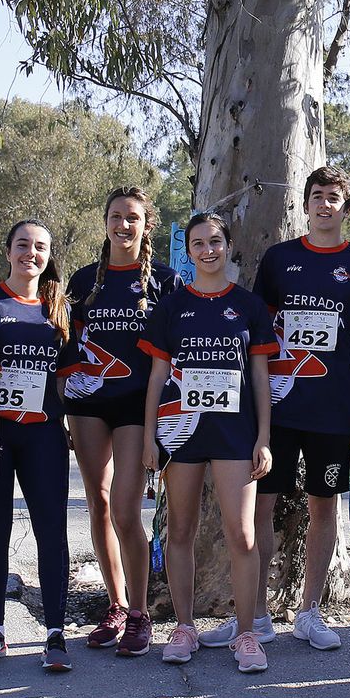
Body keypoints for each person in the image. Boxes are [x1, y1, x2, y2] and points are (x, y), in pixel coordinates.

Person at [198, 165, 350, 655]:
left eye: (335, 197)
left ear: (347, 207)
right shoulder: (280, 260)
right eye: (317, 196)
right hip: (276, 410)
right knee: (261, 507)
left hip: (334, 410)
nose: (325, 205)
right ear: (305, 204)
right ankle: (255, 616)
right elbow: (257, 336)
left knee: (325, 509)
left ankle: (309, 612)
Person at [140, 212, 277, 671]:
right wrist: (148, 438)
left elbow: (260, 378)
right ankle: (183, 627)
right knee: (180, 530)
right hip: (180, 435)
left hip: (235, 435)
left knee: (242, 533)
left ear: (228, 245)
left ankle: (246, 635)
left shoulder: (249, 306)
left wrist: (263, 438)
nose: (208, 250)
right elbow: (158, 376)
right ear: (189, 250)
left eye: (215, 241)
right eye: (198, 243)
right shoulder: (172, 306)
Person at [58, 186, 181, 657]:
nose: (123, 225)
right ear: (105, 221)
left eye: (132, 217)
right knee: (99, 504)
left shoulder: (164, 283)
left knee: (128, 510)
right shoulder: (84, 280)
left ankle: (140, 613)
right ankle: (115, 604)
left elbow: (174, 352)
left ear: (146, 225)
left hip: (137, 408)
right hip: (89, 404)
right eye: (115, 216)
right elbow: (67, 344)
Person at [0, 221, 75, 673]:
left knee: (52, 531)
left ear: (49, 255)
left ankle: (55, 634)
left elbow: (69, 379)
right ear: (8, 251)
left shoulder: (59, 309)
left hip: (44, 437)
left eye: (40, 247)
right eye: (23, 245)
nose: (31, 253)